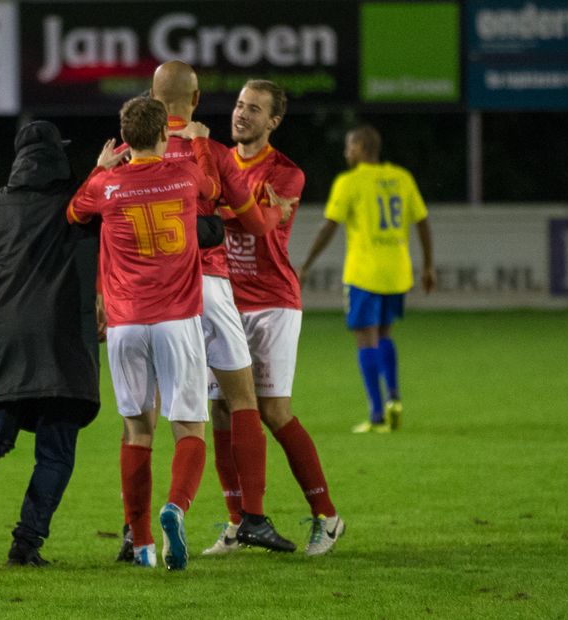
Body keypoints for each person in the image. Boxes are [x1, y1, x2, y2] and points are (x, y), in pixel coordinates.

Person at [132, 61, 296, 558]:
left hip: (149, 295)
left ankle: (136, 533)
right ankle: (252, 517)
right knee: (241, 400)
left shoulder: (131, 153)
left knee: (143, 418)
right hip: (208, 283)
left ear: (151, 98)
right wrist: (276, 211)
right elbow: (254, 222)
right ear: (197, 99)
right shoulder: (215, 152)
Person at [0, 120, 101, 567]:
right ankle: (26, 543)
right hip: (62, 336)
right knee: (56, 448)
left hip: (1, 333)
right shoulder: (77, 203)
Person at [67, 96, 218, 571]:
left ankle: (143, 543)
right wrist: (199, 143)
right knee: (188, 426)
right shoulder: (185, 174)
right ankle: (176, 507)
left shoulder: (106, 185)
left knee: (136, 430)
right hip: (177, 318)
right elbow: (212, 187)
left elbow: (73, 213)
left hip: (126, 323)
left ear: (124, 138)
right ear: (163, 135)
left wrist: (99, 166)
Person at [215, 80, 345, 556]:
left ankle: (327, 517)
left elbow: (251, 224)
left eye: (254, 109)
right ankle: (237, 522)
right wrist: (244, 209)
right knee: (221, 410)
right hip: (226, 302)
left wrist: (217, 209)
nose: (241, 114)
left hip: (272, 303)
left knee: (272, 411)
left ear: (273, 121)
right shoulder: (218, 163)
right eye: (239, 105)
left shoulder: (287, 173)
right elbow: (246, 214)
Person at [298, 125, 435, 434]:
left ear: (361, 147)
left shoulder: (350, 182)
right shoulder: (401, 178)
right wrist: (428, 266)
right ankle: (394, 399)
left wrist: (306, 264)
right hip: (397, 271)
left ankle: (376, 415)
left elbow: (329, 226)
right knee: (385, 333)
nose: (346, 152)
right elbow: (423, 221)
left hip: (364, 273)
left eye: (349, 146)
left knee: (365, 339)